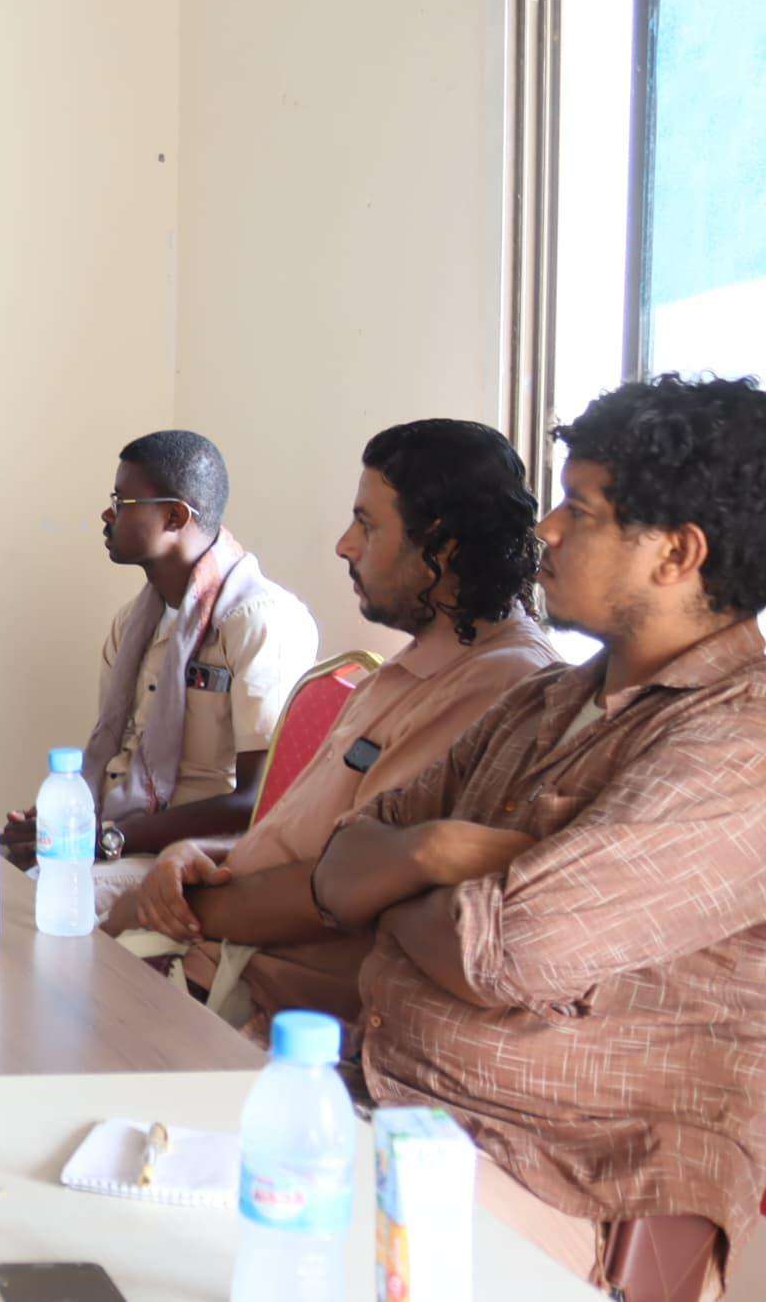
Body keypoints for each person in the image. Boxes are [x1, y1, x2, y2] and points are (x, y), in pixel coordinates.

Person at [311, 376, 766, 1297]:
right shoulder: (547, 700)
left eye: (579, 510)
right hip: (392, 1104)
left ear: (679, 553)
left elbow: (508, 947)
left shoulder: (742, 744)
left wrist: (404, 881)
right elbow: (339, 866)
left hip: (559, 1180)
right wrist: (435, 857)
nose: (546, 531)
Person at [117, 420, 560, 1029]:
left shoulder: (500, 683)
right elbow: (304, 838)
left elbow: (351, 882)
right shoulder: (405, 667)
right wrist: (197, 855)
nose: (344, 545)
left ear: (444, 546)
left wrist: (187, 908)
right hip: (219, 953)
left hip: (262, 997)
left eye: (367, 525)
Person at [3, 430, 317, 912]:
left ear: (175, 517)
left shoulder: (259, 621)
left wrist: (106, 838)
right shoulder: (133, 622)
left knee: (30, 897)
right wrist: (61, 824)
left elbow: (261, 800)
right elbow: (120, 754)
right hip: (121, 836)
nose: (107, 515)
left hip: (192, 859)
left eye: (121, 501)